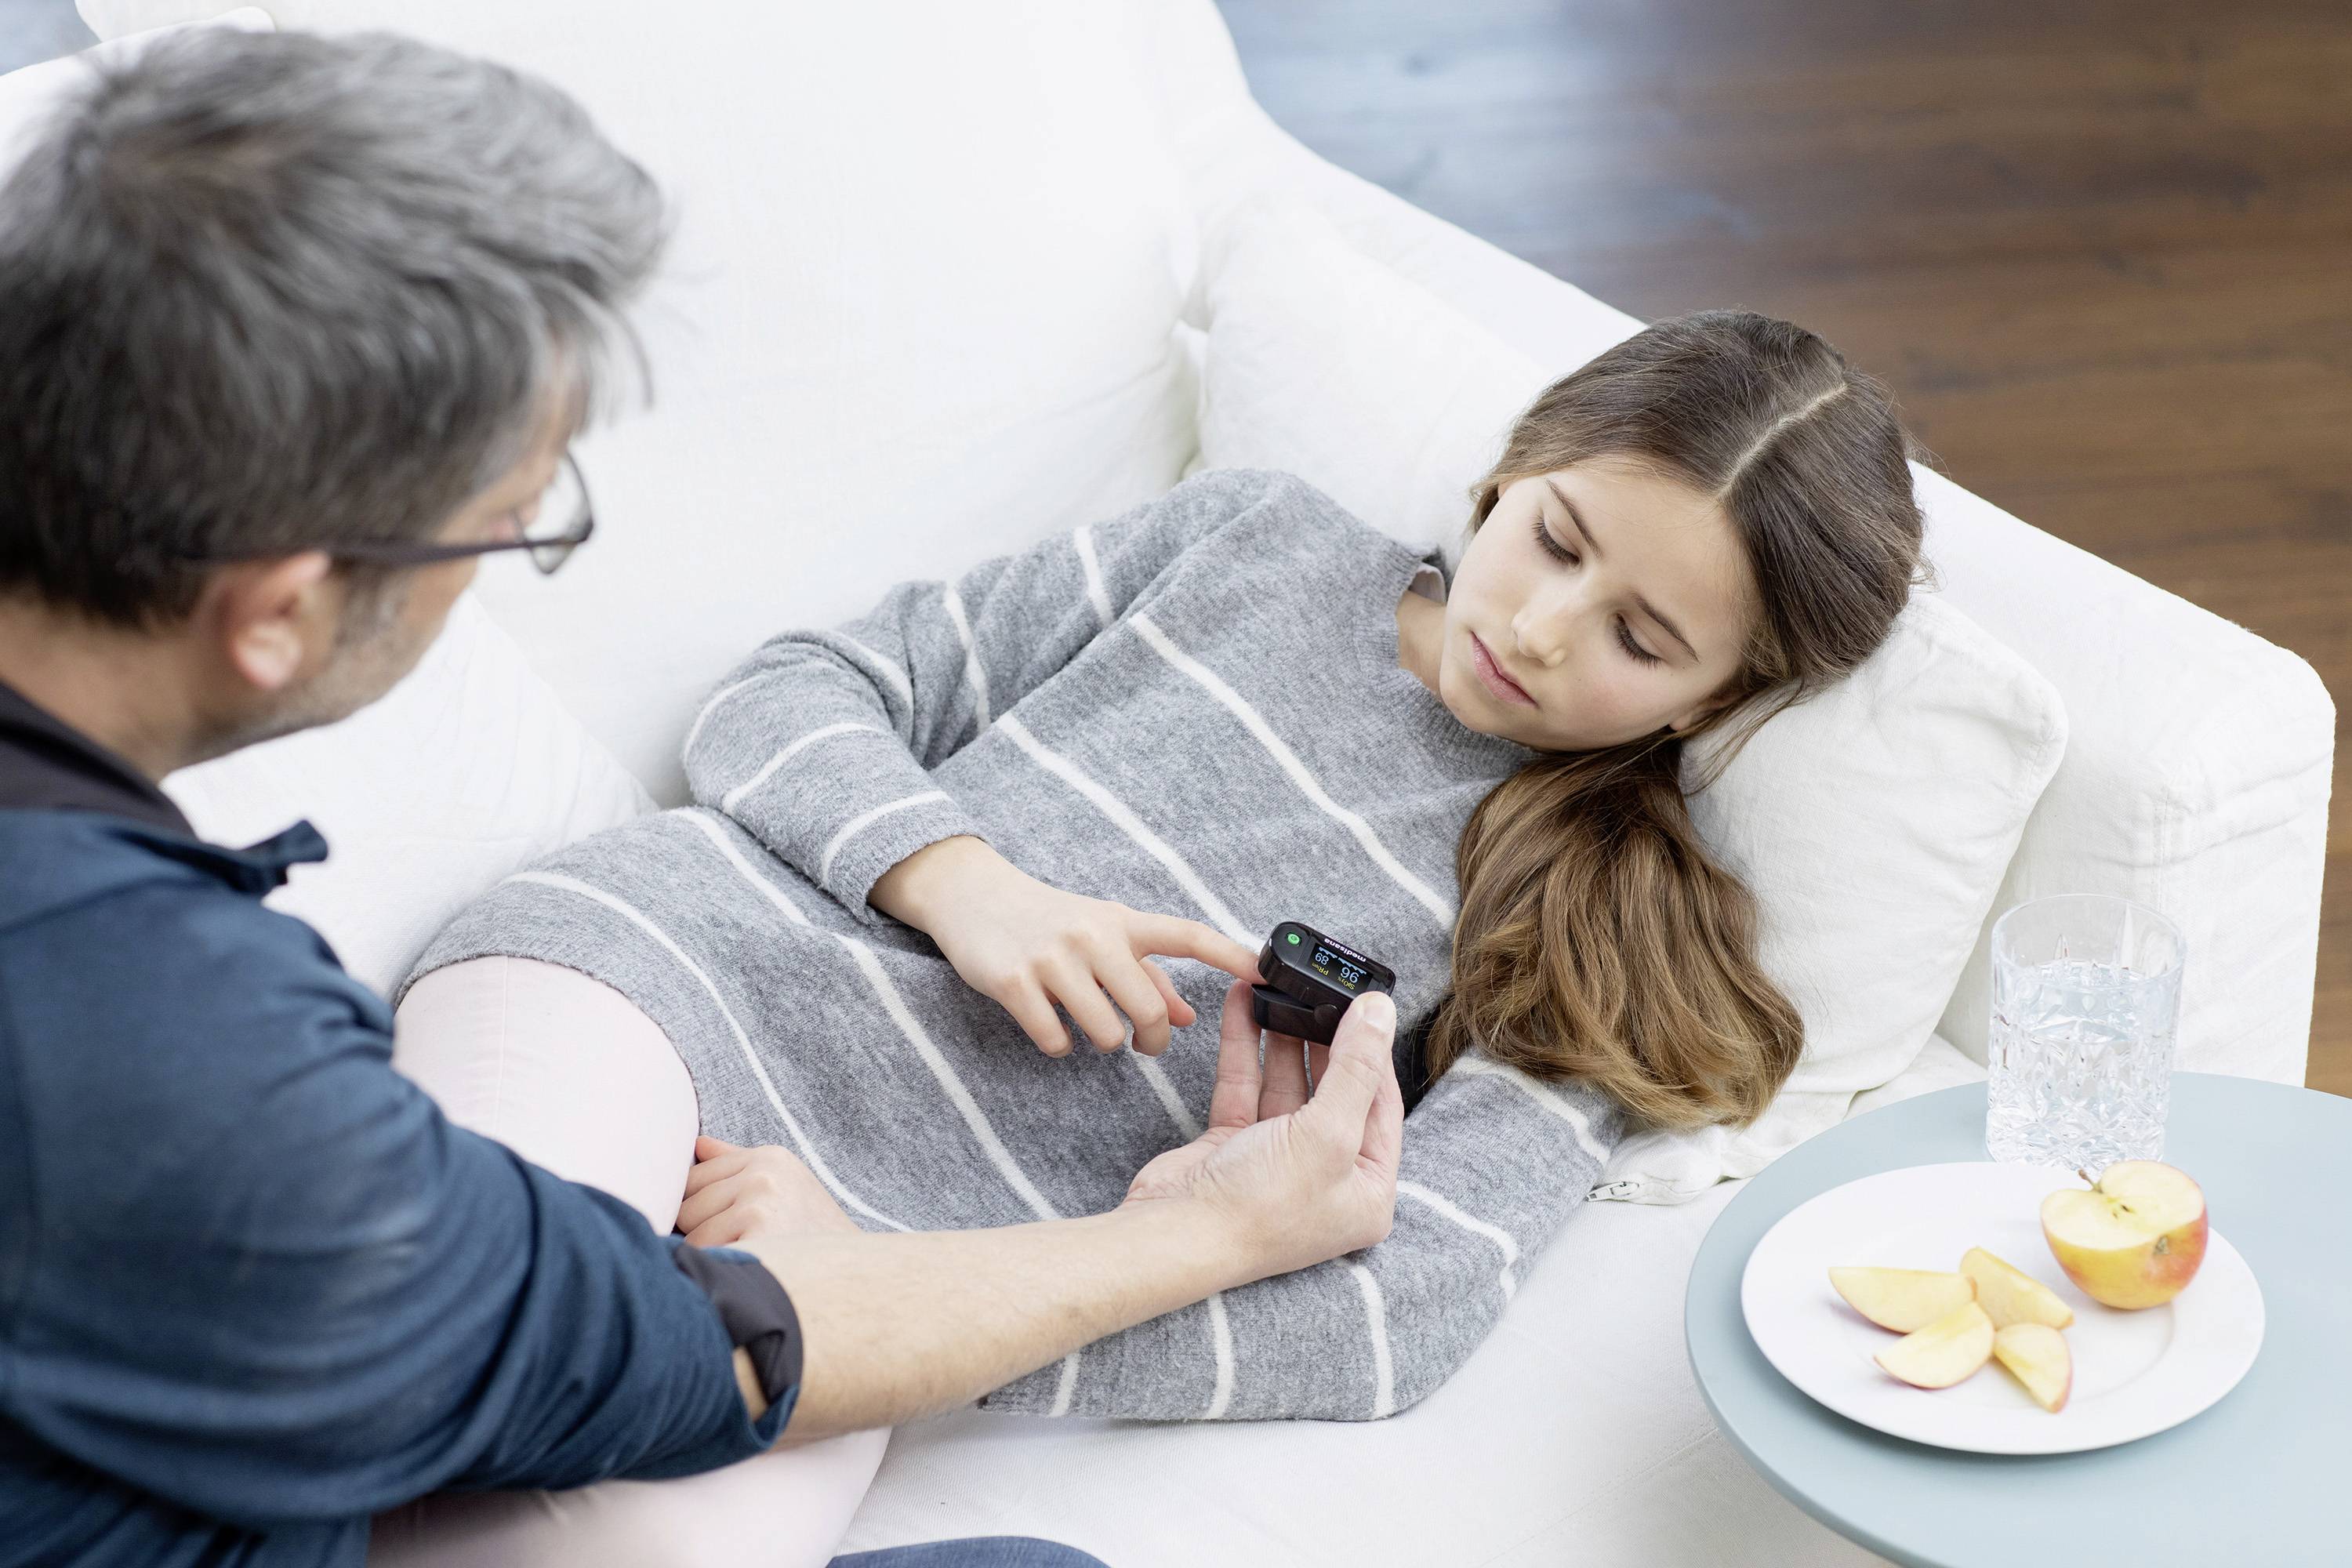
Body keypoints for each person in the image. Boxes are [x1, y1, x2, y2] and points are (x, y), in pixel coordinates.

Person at [0, 27, 1406, 1568]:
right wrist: (1215, 1230)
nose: (499, 570)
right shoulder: (155, 1043)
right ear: (278, 610)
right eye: (498, 530)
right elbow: (699, 1355)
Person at [399, 310, 1929, 1424]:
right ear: (1512, 471)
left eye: (1641, 638)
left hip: (873, 1276)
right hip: (660, 978)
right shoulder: (1256, 542)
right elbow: (792, 689)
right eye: (1557, 539)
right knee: (451, 1348)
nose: (1541, 626)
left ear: (1716, 702)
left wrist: (906, 1305)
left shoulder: (1606, 927)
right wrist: (964, 882)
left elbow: (1410, 1307)